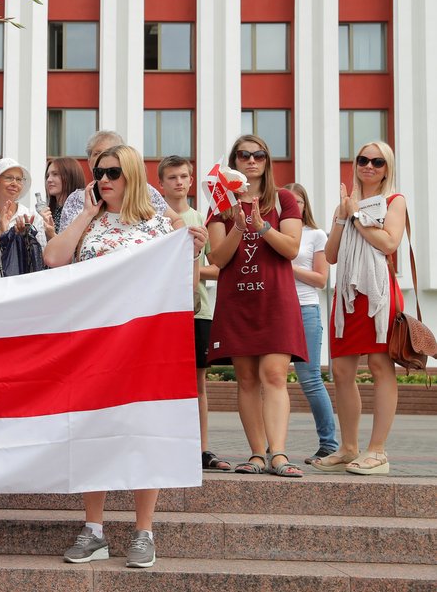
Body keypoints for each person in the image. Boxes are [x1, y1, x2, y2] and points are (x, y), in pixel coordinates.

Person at [45, 145, 207, 568]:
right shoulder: (88, 220)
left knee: (143, 432)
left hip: (143, 348)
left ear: (132, 175)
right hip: (94, 347)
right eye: (99, 172)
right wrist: (85, 213)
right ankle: (94, 529)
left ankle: (143, 531)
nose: (104, 179)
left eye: (114, 172)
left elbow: (183, 290)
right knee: (92, 429)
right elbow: (53, 258)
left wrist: (191, 249)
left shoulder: (158, 225)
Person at [206, 134, 306, 478]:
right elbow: (217, 258)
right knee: (246, 379)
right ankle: (256, 454)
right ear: (233, 162)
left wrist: (261, 226)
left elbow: (291, 248)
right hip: (237, 301)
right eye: (243, 155)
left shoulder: (284, 200)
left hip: (275, 300)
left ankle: (278, 453)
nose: (251, 160)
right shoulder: (220, 202)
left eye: (259, 154)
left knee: (274, 374)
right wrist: (236, 225)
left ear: (267, 161)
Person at [313, 142, 406, 475]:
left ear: (387, 167)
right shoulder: (346, 204)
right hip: (348, 292)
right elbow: (332, 255)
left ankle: (377, 451)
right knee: (341, 371)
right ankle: (349, 447)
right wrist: (342, 216)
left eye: (377, 161)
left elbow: (389, 242)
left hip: (378, 293)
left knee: (381, 366)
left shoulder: (395, 201)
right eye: (363, 160)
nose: (369, 166)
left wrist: (356, 216)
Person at [157, 155, 229, 471]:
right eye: (172, 177)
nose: (178, 182)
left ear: (190, 179)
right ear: (160, 183)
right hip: (161, 310)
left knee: (198, 383)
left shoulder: (201, 218)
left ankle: (202, 449)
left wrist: (194, 261)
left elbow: (218, 265)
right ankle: (164, 443)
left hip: (197, 310)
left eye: (184, 176)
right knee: (162, 380)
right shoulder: (154, 218)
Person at [283, 182, 338, 464]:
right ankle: (274, 448)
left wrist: (286, 265)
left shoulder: (316, 235)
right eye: (288, 201)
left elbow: (320, 278)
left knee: (311, 379)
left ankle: (329, 444)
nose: (294, 205)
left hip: (306, 309)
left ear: (305, 205)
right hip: (277, 311)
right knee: (273, 380)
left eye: (299, 201)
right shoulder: (272, 233)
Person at [58, 130, 175, 232]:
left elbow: (174, 221)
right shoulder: (76, 199)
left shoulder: (144, 190)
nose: (104, 157)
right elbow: (60, 248)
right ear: (89, 162)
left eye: (109, 151)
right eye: (97, 153)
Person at [38, 156, 85, 239]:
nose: (49, 180)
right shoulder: (50, 211)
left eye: (55, 174)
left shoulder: (82, 211)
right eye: (47, 176)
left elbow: (73, 247)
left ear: (71, 176)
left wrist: (51, 235)